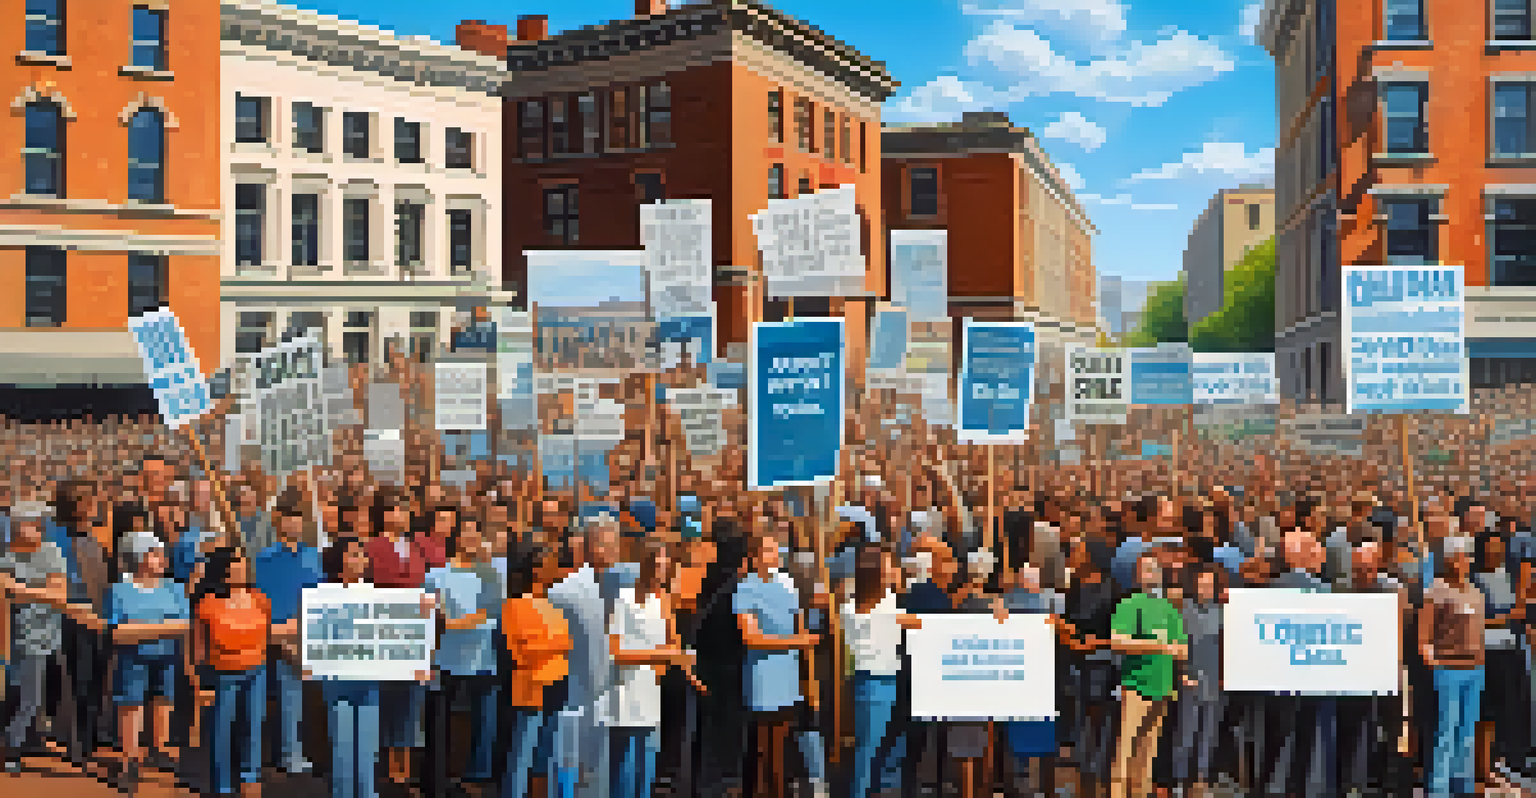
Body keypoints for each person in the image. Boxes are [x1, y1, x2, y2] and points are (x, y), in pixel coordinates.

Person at [191, 546, 290, 797]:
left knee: (254, 723)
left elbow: (268, 634)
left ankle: (250, 776)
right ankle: (222, 783)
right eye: (236, 562)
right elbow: (198, 647)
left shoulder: (259, 599)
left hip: (256, 670)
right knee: (221, 729)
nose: (242, 566)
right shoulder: (208, 603)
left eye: (244, 562)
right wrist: (201, 682)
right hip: (222, 672)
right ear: (224, 569)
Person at [733, 530, 822, 798]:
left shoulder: (787, 582)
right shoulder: (746, 587)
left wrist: (808, 672)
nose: (775, 556)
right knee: (761, 746)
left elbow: (799, 623)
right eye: (769, 551)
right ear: (755, 557)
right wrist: (797, 641)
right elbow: (750, 637)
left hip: (788, 674)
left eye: (777, 550)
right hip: (763, 675)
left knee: (782, 747)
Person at [106, 531, 192, 794]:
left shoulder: (175, 588)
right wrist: (163, 626)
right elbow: (117, 631)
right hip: (132, 658)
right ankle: (129, 760)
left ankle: (160, 750)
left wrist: (142, 627)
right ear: (140, 558)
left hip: (167, 657)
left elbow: (185, 625)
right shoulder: (119, 590)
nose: (161, 558)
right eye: (154, 553)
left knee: (163, 701)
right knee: (130, 706)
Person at [425, 513, 503, 798]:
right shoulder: (435, 575)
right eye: (466, 532)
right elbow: (433, 615)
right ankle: (436, 784)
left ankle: (474, 780)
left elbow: (490, 612)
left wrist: (455, 623)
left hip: (482, 661)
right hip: (445, 660)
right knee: (440, 725)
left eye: (475, 532)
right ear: (455, 538)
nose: (471, 538)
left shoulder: (492, 575)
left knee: (479, 725)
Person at [606, 542, 692, 798]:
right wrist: (660, 654)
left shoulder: (664, 600)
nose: (662, 571)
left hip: (653, 690)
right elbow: (616, 652)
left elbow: (673, 642)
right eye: (657, 565)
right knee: (625, 764)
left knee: (647, 763)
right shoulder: (624, 599)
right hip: (627, 689)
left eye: (666, 566)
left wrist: (684, 662)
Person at [365, 486, 436, 792]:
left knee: (411, 700)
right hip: (385, 628)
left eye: (404, 509)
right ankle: (384, 766)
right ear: (382, 514)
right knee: (386, 697)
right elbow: (379, 582)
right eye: (393, 509)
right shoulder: (373, 546)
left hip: (416, 630)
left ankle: (405, 768)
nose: (399, 515)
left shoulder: (417, 546)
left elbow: (427, 576)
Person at [251, 493, 323, 776]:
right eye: (286, 520)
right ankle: (254, 759)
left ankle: (290, 754)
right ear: (276, 523)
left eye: (297, 520)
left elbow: (318, 594)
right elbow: (257, 594)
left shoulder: (312, 556)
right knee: (257, 701)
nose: (292, 525)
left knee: (292, 699)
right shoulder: (262, 558)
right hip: (265, 635)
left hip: (300, 635)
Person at [842, 544, 920, 798]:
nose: (894, 571)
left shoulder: (856, 605)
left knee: (876, 748)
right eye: (888, 567)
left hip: (878, 681)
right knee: (870, 749)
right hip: (876, 682)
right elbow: (917, 622)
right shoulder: (884, 609)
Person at [1108, 552, 1188, 798]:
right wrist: (1160, 646)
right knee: (1126, 749)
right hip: (1136, 685)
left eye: (1154, 568)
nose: (1150, 573)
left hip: (1162, 686)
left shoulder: (1169, 609)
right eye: (1145, 569)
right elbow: (1117, 641)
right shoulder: (1130, 604)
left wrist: (1176, 655)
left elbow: (1182, 649)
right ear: (1137, 575)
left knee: (1147, 752)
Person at [0, 499, 69, 773]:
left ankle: (23, 741)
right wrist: (42, 589)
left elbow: (61, 595)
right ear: (17, 527)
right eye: (32, 522)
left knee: (39, 696)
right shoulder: (6, 557)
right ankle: (13, 749)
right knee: (25, 697)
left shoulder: (51, 551)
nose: (39, 527)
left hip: (50, 634)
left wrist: (23, 589)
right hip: (20, 638)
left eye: (40, 522)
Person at [502, 547, 575, 798]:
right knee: (523, 749)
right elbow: (520, 650)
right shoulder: (515, 605)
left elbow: (570, 641)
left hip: (559, 682)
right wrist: (559, 644)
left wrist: (555, 644)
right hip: (531, 684)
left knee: (547, 751)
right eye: (552, 564)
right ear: (537, 570)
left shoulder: (558, 604)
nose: (558, 570)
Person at [316, 536, 383, 798]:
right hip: (337, 678)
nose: (362, 560)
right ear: (339, 560)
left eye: (362, 555)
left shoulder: (375, 592)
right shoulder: (321, 593)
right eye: (355, 554)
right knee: (342, 746)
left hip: (369, 677)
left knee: (367, 747)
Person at [1422, 535, 1487, 798]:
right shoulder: (1436, 589)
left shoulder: (1475, 591)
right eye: (1461, 556)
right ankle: (1439, 789)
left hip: (1475, 671)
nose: (1466, 561)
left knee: (1468, 731)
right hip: (1448, 670)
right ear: (1449, 560)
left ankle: (1463, 787)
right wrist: (1434, 664)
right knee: (1447, 731)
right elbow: (1425, 636)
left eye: (1468, 556)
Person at [1473, 532, 1527, 785]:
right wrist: (1506, 618)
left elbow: (1520, 610)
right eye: (1492, 548)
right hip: (1486, 652)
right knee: (1485, 712)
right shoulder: (1474, 580)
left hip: (1510, 650)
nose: (1496, 553)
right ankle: (1481, 768)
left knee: (1506, 711)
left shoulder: (1509, 577)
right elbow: (1476, 620)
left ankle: (1497, 765)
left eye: (1499, 548)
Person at [1172, 564, 1224, 798]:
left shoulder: (1221, 612)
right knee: (1186, 730)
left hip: (1213, 679)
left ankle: (1201, 778)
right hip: (1190, 677)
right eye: (1202, 585)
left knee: (1208, 732)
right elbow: (1178, 646)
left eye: (1209, 586)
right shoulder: (1184, 612)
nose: (1205, 589)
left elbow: (1224, 646)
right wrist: (1182, 673)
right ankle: (1179, 780)